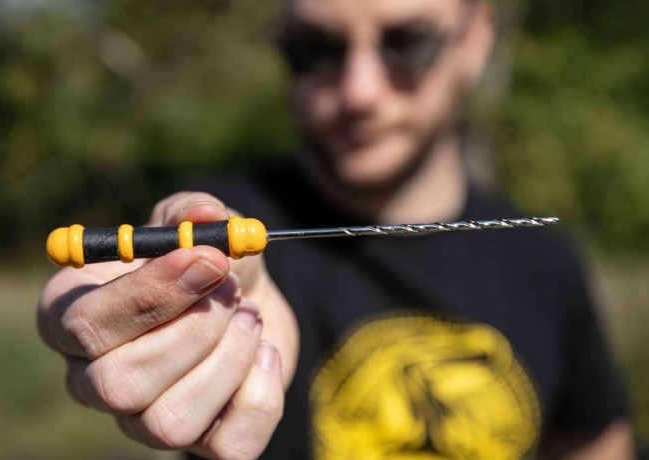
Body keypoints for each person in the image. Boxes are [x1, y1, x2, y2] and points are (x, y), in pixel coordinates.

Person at [37, 0, 636, 458]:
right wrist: (95, 311)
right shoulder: (231, 228)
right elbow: (89, 286)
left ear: (475, 38)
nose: (359, 92)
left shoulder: (546, 265)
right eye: (316, 49)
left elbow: (596, 445)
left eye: (407, 42)